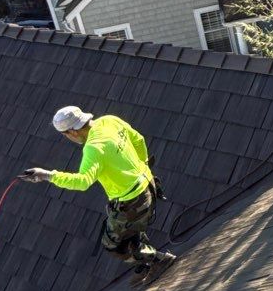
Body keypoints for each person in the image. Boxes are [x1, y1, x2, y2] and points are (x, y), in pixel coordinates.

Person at [24, 105, 175, 274]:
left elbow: (82, 182)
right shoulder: (110, 120)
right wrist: (144, 167)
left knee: (113, 245)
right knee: (128, 230)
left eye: (65, 135)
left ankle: (158, 260)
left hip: (134, 201)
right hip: (149, 184)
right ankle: (145, 254)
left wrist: (47, 175)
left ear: (72, 132)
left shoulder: (93, 148)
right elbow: (138, 140)